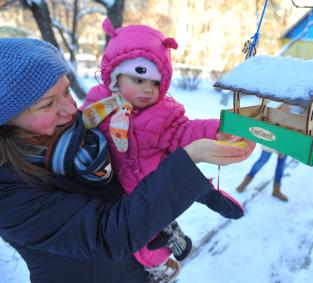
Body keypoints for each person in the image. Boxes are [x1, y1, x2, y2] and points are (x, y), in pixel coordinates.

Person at [0, 37, 255, 283]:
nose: (70, 108)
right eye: (47, 104)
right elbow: (109, 233)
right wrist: (190, 159)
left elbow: (160, 133)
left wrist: (218, 131)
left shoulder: (86, 128)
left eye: (66, 91)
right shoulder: (8, 191)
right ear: (7, 119)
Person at [79, 18, 249, 282]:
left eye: (156, 83)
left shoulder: (164, 113)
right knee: (143, 240)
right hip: (117, 192)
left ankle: (205, 207)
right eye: (139, 79)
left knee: (165, 225)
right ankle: (166, 247)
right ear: (115, 75)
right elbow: (79, 127)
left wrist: (219, 130)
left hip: (154, 185)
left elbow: (185, 132)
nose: (149, 89)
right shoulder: (97, 105)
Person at [236, 103, 290, 202]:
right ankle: (245, 182)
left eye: (287, 106)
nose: (287, 107)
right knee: (261, 162)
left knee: (281, 167)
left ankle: (276, 190)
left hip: (284, 145)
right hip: (269, 142)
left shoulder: (290, 114)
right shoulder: (271, 110)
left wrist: (283, 147)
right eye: (284, 105)